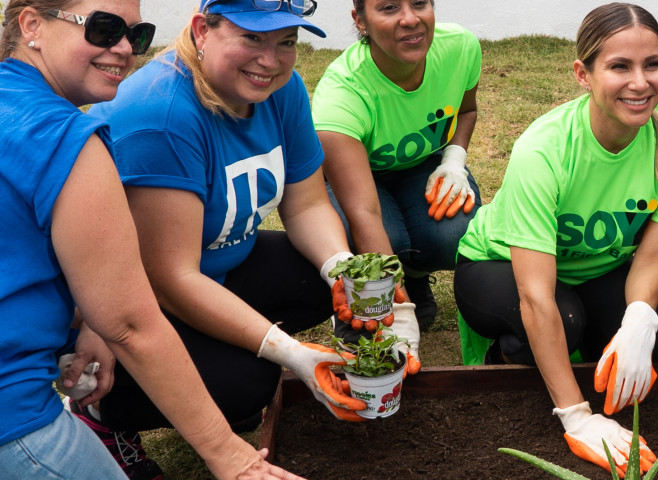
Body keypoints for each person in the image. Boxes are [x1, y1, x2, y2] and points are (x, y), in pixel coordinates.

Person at [79, 0, 422, 476]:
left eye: (287, 42)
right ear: (202, 30)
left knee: (317, 279)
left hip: (213, 265)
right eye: (252, 38)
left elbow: (306, 204)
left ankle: (220, 361)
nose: (271, 59)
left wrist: (342, 270)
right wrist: (290, 353)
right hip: (129, 305)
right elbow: (169, 279)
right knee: (252, 381)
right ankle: (104, 415)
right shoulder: (161, 113)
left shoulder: (281, 89)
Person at [0, 0, 300, 478]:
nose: (123, 49)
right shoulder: (69, 139)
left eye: (136, 36)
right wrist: (229, 454)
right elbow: (133, 326)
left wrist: (94, 325)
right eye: (102, 29)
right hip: (13, 414)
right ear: (32, 24)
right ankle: (105, 423)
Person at [453, 2, 658, 474]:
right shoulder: (543, 150)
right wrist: (577, 417)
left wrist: (638, 321)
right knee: (562, 320)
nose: (640, 82)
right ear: (583, 74)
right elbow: (535, 297)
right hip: (497, 264)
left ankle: (589, 344)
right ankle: (503, 354)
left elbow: (651, 258)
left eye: (652, 64)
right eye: (619, 66)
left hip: (595, 266)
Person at [311, 0, 481, 325]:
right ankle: (373, 289)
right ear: (360, 21)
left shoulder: (461, 47)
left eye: (419, 3)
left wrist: (454, 160)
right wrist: (397, 311)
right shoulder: (341, 92)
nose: (410, 19)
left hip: (421, 164)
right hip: (356, 177)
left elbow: (467, 111)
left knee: (454, 233)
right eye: (389, 8)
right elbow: (364, 212)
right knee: (385, 236)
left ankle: (414, 273)